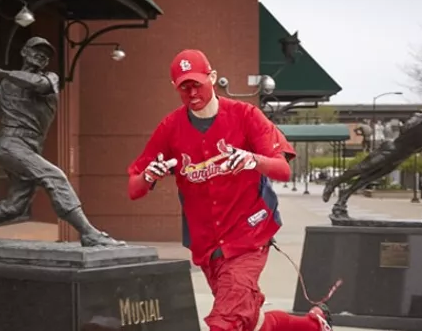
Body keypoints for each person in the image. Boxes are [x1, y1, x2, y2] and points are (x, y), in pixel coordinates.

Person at [127, 49, 333, 331]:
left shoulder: (245, 115)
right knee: (250, 321)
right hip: (206, 244)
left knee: (225, 322)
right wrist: (149, 176)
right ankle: (313, 325)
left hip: (249, 235)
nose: (192, 93)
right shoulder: (170, 128)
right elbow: (134, 188)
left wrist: (252, 160)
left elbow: (283, 169)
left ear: (211, 77)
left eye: (197, 84)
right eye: (183, 87)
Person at [0, 36, 122, 247]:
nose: (41, 56)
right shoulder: (5, 87)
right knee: (55, 176)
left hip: (30, 147)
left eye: (46, 55)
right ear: (24, 52)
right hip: (9, 144)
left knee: (15, 207)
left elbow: (37, 84)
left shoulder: (50, 79)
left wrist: (0, 72)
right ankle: (88, 233)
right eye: (36, 50)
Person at [323, 80, 422, 219]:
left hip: (402, 156)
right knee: (362, 169)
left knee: (367, 178)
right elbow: (406, 129)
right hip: (391, 149)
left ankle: (342, 199)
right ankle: (334, 182)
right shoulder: (420, 117)